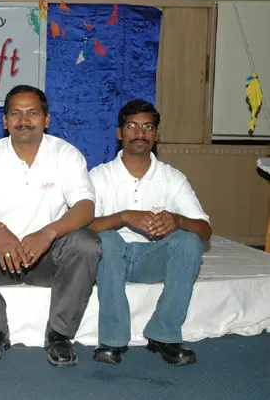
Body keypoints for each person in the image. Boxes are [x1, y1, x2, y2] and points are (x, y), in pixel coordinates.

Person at [0, 85, 101, 367]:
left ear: (46, 119)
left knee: (86, 242)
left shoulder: (66, 154)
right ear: (5, 120)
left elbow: (85, 206)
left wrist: (48, 233)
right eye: (16, 113)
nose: (24, 120)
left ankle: (59, 335)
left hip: (48, 259)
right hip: (0, 257)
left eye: (33, 113)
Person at [89, 99, 212, 366]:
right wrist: (123, 216)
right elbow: (80, 227)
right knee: (106, 239)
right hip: (110, 259)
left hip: (153, 260)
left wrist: (178, 220)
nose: (140, 133)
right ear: (119, 133)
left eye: (148, 127)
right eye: (132, 126)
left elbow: (205, 230)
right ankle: (112, 340)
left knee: (189, 241)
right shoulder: (99, 177)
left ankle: (164, 334)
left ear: (156, 135)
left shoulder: (172, 177)